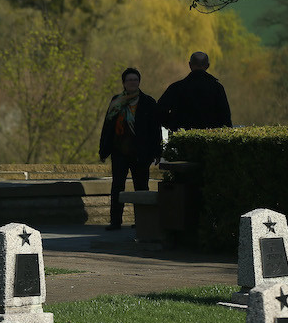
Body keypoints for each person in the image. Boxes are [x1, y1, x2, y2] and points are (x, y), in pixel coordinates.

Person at [98, 68, 162, 231]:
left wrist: (157, 151)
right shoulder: (116, 101)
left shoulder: (148, 102)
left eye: (135, 79)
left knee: (141, 187)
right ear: (124, 83)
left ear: (139, 82)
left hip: (141, 152)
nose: (132, 82)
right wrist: (103, 150)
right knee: (117, 186)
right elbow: (108, 127)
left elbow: (155, 129)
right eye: (129, 80)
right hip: (119, 151)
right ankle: (115, 222)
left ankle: (142, 220)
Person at [158, 51, 232, 131]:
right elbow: (225, 118)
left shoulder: (176, 88)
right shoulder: (217, 88)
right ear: (207, 66)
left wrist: (173, 125)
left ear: (190, 65)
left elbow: (159, 111)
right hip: (210, 139)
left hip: (181, 138)